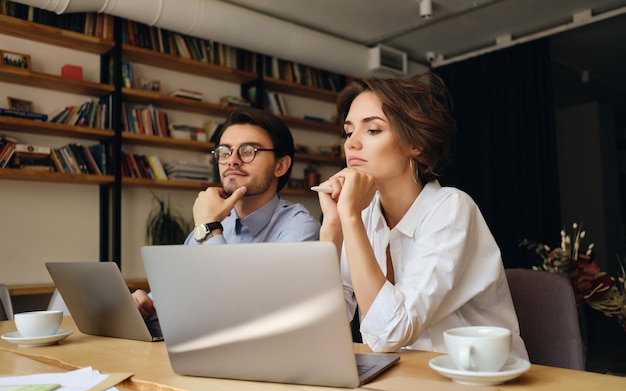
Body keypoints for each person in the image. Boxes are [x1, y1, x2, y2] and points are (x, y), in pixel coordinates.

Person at [315, 73, 528, 359]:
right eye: (349, 131)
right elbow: (322, 326)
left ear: (415, 144)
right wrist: (332, 228)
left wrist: (349, 217)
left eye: (373, 130)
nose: (351, 143)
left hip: (476, 378)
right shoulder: (362, 214)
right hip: (399, 377)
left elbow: (392, 331)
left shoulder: (452, 208)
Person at [134, 107, 321, 318]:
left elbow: (250, 312)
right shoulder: (214, 221)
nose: (232, 160)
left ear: (280, 165)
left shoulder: (300, 229)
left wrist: (210, 228)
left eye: (248, 151)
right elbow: (174, 294)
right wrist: (146, 304)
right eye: (224, 152)